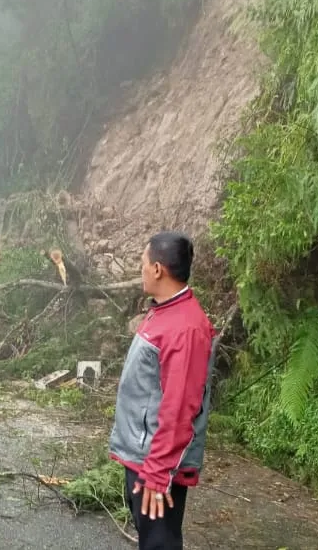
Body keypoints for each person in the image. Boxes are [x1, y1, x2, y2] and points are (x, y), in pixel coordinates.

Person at [109, 231, 217, 550]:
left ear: (158, 269)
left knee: (160, 544)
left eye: (142, 263)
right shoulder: (164, 311)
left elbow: (180, 408)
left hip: (156, 464)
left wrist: (157, 475)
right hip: (144, 458)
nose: (140, 270)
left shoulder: (185, 327)